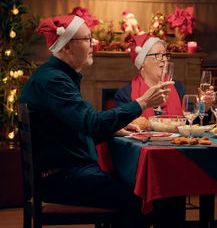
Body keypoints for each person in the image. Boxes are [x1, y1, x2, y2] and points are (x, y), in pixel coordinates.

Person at [19, 15, 171, 228]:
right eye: (87, 39)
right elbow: (91, 123)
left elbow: (80, 125)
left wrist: (115, 127)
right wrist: (142, 103)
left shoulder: (58, 76)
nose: (94, 44)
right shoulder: (54, 80)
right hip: (63, 180)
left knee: (140, 189)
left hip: (66, 174)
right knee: (144, 199)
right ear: (68, 47)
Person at [114, 34, 213, 124]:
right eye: (158, 55)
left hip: (174, 143)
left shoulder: (178, 87)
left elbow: (190, 123)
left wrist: (204, 108)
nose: (165, 59)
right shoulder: (125, 94)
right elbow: (121, 127)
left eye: (165, 55)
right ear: (142, 62)